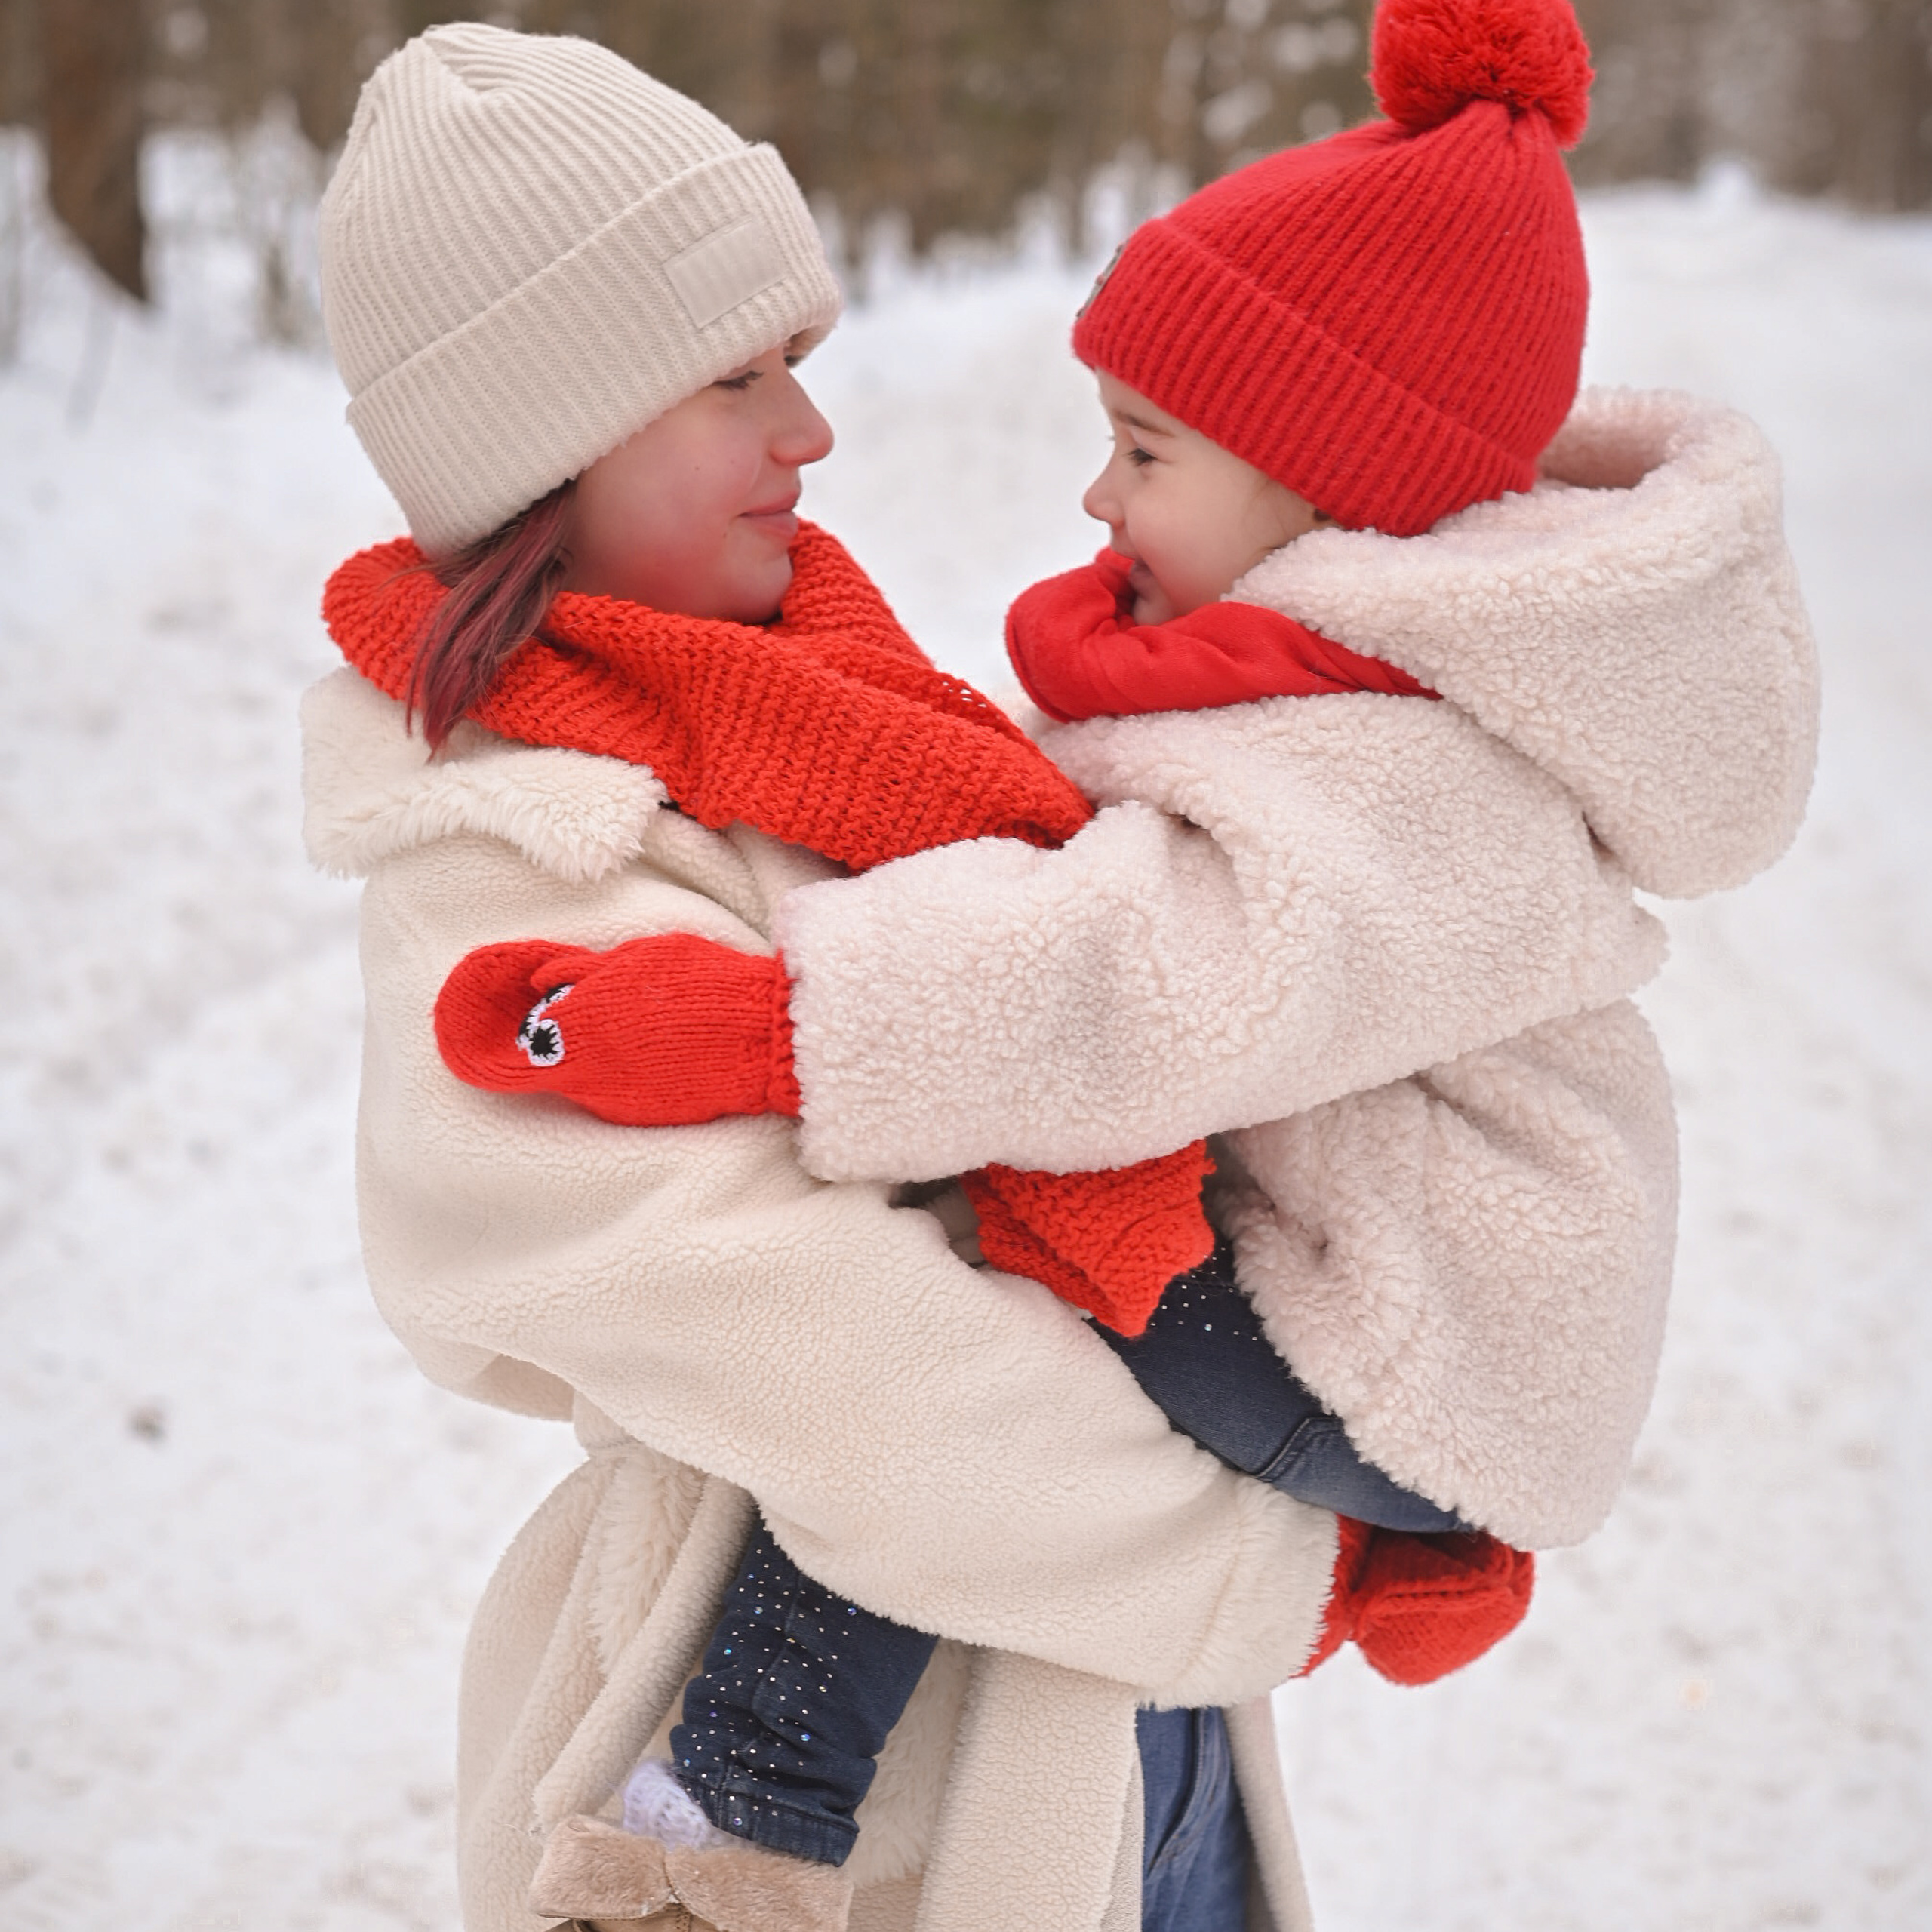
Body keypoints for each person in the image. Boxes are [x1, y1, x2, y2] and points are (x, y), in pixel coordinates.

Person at [425, 0, 1819, 1924]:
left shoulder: (1412, 769)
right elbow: (831, 1341)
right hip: (1328, 1422)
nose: (1093, 501)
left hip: (1395, 1353)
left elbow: (1136, 966)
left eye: (1144, 451)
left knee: (1025, 1232)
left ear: (1316, 487)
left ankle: (736, 1802)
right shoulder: (1355, 682)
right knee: (1028, 1231)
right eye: (734, 377)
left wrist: (770, 1022)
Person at [306, 22, 1439, 1932]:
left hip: (1128, 1747)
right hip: (843, 1822)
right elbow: (850, 1376)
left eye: (800, 368)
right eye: (732, 379)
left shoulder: (827, 704)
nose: (807, 436)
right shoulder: (510, 856)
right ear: (544, 440)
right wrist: (1286, 1552)